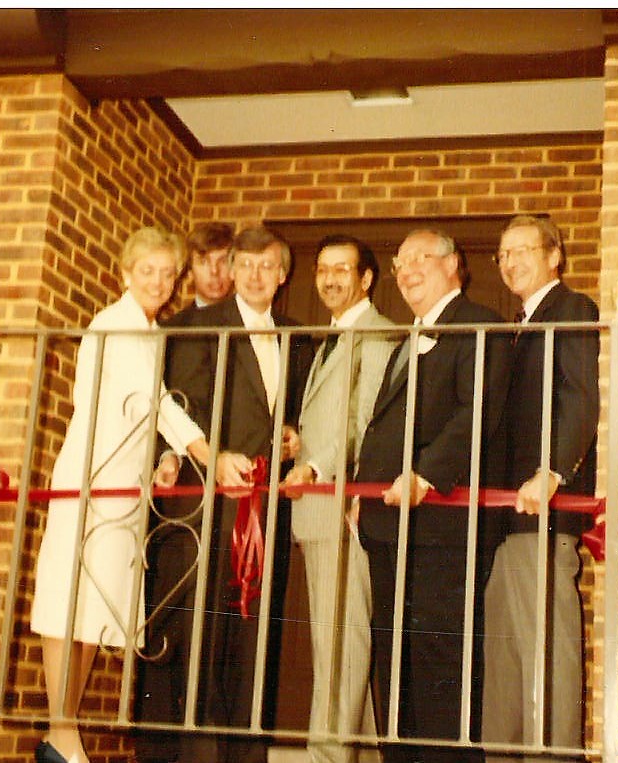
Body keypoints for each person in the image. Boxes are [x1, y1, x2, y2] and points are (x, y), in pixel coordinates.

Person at [30, 227, 216, 763]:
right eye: (147, 271)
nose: (158, 281)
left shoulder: (146, 329)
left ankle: (62, 733)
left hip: (120, 488)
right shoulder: (116, 324)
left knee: (91, 608)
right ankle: (62, 733)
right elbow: (151, 403)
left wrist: (169, 456)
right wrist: (208, 451)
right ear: (126, 274)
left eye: (167, 273)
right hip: (94, 479)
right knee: (70, 602)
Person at [355, 229, 510, 763]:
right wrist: (362, 486)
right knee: (393, 660)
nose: (407, 269)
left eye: (421, 258)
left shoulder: (479, 323)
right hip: (387, 524)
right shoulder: (407, 338)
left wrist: (424, 476)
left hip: (441, 527)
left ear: (454, 266)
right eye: (400, 262)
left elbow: (477, 414)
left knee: (441, 663)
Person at [164, 225, 314, 763]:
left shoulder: (299, 335)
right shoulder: (201, 327)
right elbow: (182, 405)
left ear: (281, 274)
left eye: (264, 265)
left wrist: (298, 434)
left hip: (266, 506)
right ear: (231, 270)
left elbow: (298, 410)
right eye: (243, 264)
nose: (253, 275)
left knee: (256, 633)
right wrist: (216, 453)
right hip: (212, 503)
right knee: (205, 630)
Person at [481, 215, 599, 763]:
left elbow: (580, 399)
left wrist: (553, 472)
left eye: (522, 251)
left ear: (555, 256)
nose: (510, 263)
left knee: (547, 654)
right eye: (503, 255)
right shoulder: (518, 324)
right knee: (506, 658)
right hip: (507, 517)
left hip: (544, 512)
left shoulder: (572, 308)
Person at [281, 234, 394, 763]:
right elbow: (333, 419)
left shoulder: (376, 335)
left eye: (342, 269)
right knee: (341, 648)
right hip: (320, 506)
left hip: (340, 503)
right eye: (322, 269)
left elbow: (365, 417)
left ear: (365, 278)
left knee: (340, 650)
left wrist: (319, 464)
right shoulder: (332, 336)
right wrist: (300, 443)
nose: (329, 279)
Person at [135, 220, 235, 763]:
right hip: (177, 499)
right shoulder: (167, 330)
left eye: (225, 261)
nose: (216, 274)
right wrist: (166, 457)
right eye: (205, 262)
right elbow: (154, 408)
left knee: (218, 631)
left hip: (228, 502)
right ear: (189, 269)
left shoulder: (248, 326)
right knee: (169, 619)